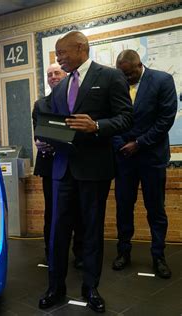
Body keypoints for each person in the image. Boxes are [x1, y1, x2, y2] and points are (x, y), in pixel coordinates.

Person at [38, 31, 132, 313]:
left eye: (62, 52)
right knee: (58, 233)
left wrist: (98, 126)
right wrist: (45, 135)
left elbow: (126, 118)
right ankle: (55, 287)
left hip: (94, 170)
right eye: (56, 54)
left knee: (91, 231)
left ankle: (91, 288)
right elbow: (55, 121)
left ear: (80, 47)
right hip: (61, 170)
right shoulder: (61, 86)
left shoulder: (110, 77)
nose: (59, 58)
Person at [112, 49, 177, 278]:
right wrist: (121, 144)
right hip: (124, 159)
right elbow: (113, 118)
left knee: (156, 210)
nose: (126, 79)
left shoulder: (162, 80)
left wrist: (138, 143)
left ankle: (158, 256)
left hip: (152, 157)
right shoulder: (117, 82)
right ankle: (123, 252)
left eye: (129, 74)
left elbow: (165, 119)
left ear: (139, 65)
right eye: (122, 75)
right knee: (123, 208)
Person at [32, 63, 83, 269]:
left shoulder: (78, 101)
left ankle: (79, 254)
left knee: (79, 212)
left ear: (67, 76)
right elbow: (38, 131)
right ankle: (51, 253)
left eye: (57, 73)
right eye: (49, 74)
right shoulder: (40, 105)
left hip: (76, 164)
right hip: (50, 165)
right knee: (52, 213)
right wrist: (39, 141)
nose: (53, 77)